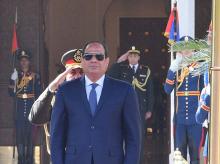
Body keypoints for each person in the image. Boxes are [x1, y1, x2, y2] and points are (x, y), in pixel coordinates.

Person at [50, 41, 141, 164]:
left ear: (106, 61)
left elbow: (133, 138)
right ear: (83, 61)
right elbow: (57, 136)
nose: (94, 60)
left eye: (99, 56)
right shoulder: (65, 91)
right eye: (88, 56)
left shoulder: (125, 91)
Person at [108, 46, 154, 164]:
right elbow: (110, 74)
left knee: (138, 138)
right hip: (123, 109)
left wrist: (149, 109)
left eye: (135, 56)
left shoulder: (145, 70)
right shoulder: (122, 69)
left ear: (138, 57)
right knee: (123, 136)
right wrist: (120, 60)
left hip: (140, 109)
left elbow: (150, 91)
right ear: (127, 57)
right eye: (130, 55)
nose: (133, 58)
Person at [164, 36, 204, 164]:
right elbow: (167, 89)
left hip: (195, 120)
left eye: (189, 47)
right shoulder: (177, 69)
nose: (186, 50)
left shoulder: (200, 68)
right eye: (183, 48)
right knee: (179, 156)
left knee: (195, 155)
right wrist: (171, 70)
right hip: (180, 120)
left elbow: (206, 91)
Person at [29, 49, 83, 125]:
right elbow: (36, 118)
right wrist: (51, 89)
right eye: (72, 72)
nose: (77, 76)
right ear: (65, 75)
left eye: (81, 72)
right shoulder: (57, 98)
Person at [8, 50, 41, 164]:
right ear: (20, 62)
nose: (23, 62)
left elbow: (38, 93)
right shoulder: (15, 75)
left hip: (31, 111)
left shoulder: (35, 76)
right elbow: (11, 93)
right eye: (22, 60)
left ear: (29, 61)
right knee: (20, 138)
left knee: (30, 138)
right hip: (19, 112)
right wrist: (13, 79)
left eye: (25, 60)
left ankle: (30, 159)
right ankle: (21, 159)